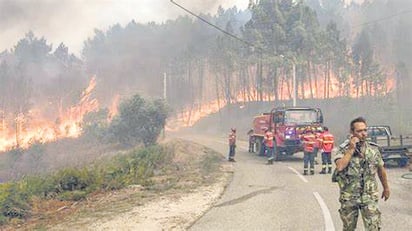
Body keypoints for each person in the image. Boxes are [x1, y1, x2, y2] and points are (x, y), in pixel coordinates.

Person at [333, 117, 390, 230]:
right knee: (349, 228)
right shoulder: (344, 149)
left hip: (369, 196)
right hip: (349, 197)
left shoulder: (373, 149)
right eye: (359, 131)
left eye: (365, 130)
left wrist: (386, 188)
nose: (363, 134)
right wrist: (351, 149)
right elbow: (340, 166)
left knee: (374, 227)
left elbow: (381, 169)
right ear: (352, 132)